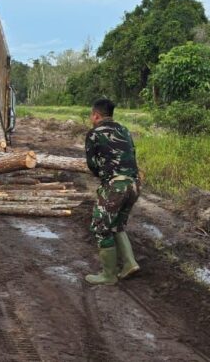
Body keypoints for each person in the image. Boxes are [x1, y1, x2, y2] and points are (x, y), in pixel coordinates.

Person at [83, 98, 141, 285]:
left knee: (100, 227)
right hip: (134, 184)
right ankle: (130, 263)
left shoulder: (94, 133)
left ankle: (108, 275)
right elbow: (132, 155)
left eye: (92, 115)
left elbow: (92, 165)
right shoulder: (124, 130)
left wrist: (103, 174)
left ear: (96, 115)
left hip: (116, 186)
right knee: (116, 225)